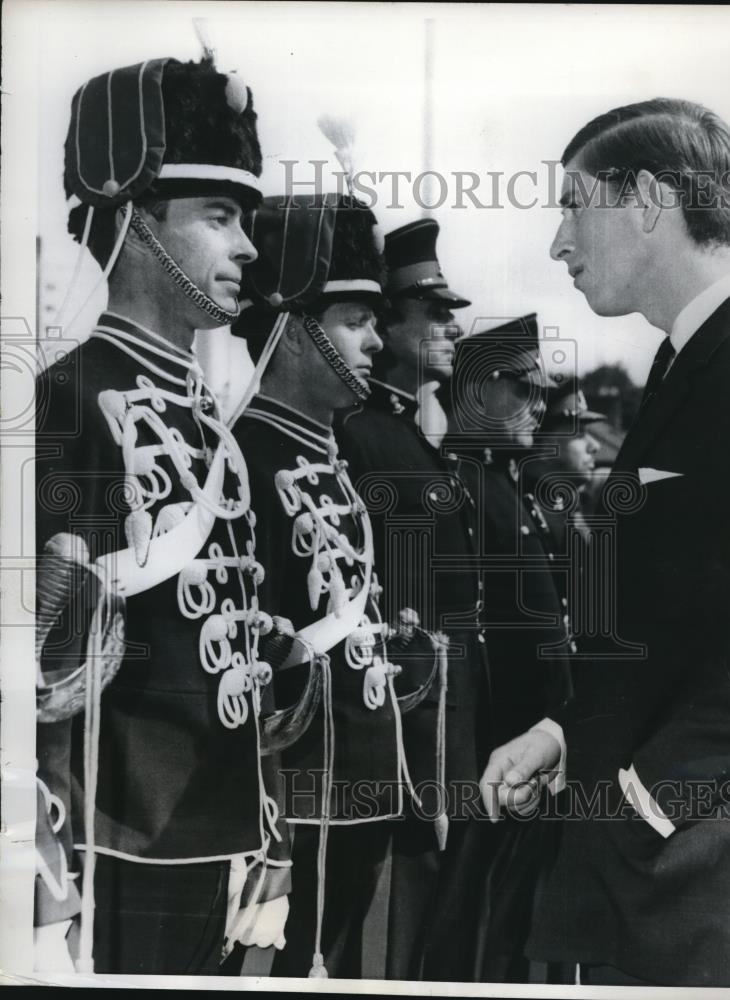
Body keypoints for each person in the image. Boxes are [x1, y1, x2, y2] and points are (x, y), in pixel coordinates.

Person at [481, 98, 730, 987]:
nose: (558, 243)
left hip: (704, 843)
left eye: (573, 204)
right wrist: (565, 735)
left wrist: (656, 795)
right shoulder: (698, 357)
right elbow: (689, 621)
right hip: (668, 842)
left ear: (647, 200)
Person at [34, 57, 292, 976]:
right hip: (118, 832)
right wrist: (46, 853)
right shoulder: (64, 398)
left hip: (227, 824)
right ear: (136, 228)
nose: (248, 249)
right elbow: (39, 662)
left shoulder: (204, 416)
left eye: (247, 221)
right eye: (219, 219)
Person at [231, 193, 437, 979]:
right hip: (295, 798)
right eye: (356, 321)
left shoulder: (328, 455)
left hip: (361, 779)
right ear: (294, 328)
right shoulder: (243, 458)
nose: (377, 343)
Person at [336, 218, 490, 981]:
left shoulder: (409, 435)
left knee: (429, 926)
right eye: (434, 312)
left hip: (443, 724)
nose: (452, 326)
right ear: (388, 323)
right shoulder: (358, 434)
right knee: (382, 932)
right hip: (400, 727)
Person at [447, 316, 573, 983]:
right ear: (483, 390)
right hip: (495, 740)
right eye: (526, 389)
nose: (542, 405)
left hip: (528, 738)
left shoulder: (504, 479)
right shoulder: (462, 480)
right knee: (476, 927)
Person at [521, 380, 605, 556]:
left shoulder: (565, 506)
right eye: (580, 433)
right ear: (545, 445)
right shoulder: (523, 509)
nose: (595, 446)